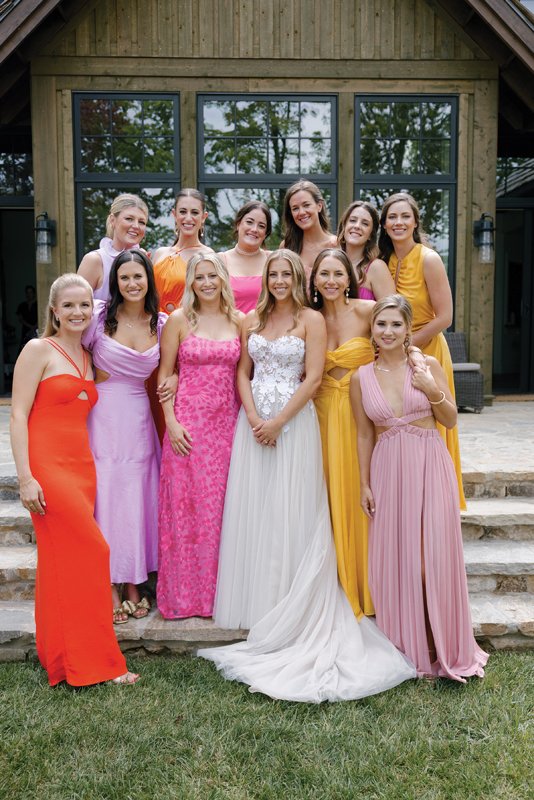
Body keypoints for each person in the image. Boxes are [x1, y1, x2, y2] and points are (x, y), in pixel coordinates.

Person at [198, 250, 416, 703]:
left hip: (295, 425)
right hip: (253, 424)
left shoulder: (310, 319)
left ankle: (295, 599)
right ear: (266, 279)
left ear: (299, 278)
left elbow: (314, 376)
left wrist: (278, 422)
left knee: (293, 509)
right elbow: (243, 371)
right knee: (256, 509)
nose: (279, 280)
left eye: (286, 274)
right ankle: (261, 602)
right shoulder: (250, 320)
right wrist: (255, 416)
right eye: (273, 274)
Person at [351, 294, 488, 682]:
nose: (388, 331)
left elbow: (449, 419)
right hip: (388, 470)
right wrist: (364, 483)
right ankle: (410, 648)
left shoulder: (425, 365)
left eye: (396, 324)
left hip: (430, 464)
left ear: (408, 329)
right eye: (382, 324)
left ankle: (446, 645)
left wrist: (431, 388)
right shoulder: (361, 378)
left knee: (433, 560)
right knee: (401, 561)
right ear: (372, 330)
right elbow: (364, 435)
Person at [9, 273, 138, 686]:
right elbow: (17, 414)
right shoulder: (37, 349)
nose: (78, 312)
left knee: (60, 565)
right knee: (94, 552)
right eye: (69, 305)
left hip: (82, 468)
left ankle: (60, 658)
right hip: (47, 468)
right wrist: (25, 478)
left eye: (85, 304)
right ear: (54, 311)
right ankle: (98, 662)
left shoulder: (86, 355)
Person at [83, 251, 167, 624]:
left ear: (149, 279)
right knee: (107, 499)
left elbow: (176, 367)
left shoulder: (161, 324)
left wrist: (176, 378)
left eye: (138, 277)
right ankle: (108, 583)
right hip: (102, 417)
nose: (132, 284)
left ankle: (135, 581)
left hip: (139, 420)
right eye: (124, 278)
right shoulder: (98, 317)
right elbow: (69, 351)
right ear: (115, 282)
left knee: (136, 500)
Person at [157, 253, 242, 619]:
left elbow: (246, 375)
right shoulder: (179, 320)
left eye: (213, 275)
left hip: (227, 427)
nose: (207, 282)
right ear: (191, 282)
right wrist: (171, 424)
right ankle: (185, 599)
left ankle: (219, 599)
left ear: (224, 278)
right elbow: (164, 377)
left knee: (221, 513)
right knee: (185, 511)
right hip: (186, 426)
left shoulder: (239, 321)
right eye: (200, 277)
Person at [378, 192, 466, 508]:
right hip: (392, 355)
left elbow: (445, 316)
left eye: (405, 216)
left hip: (428, 353)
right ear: (384, 224)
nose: (398, 222)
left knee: (434, 423)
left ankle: (439, 499)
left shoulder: (428, 258)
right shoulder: (383, 262)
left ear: (415, 221)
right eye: (392, 217)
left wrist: (406, 346)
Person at [310, 248, 375, 618]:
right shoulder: (310, 317)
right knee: (324, 495)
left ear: (350, 277)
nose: (331, 281)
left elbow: (402, 344)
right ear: (315, 280)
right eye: (324, 274)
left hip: (358, 414)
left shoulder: (368, 312)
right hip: (317, 413)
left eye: (338, 273)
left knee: (356, 491)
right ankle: (329, 584)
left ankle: (366, 583)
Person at [152, 188, 213, 314]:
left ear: (203, 217)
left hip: (186, 327)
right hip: (152, 327)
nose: (188, 218)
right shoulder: (160, 253)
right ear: (174, 214)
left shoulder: (208, 255)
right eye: (183, 212)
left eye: (195, 212)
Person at [78, 193, 148, 301]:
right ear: (112, 220)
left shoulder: (145, 258)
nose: (136, 226)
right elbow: (75, 305)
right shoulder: (95, 260)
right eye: (129, 219)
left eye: (142, 222)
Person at [218, 201, 271, 313]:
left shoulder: (272, 260)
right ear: (238, 224)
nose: (254, 229)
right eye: (249, 222)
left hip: (266, 329)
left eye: (261, 226)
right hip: (231, 329)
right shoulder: (220, 261)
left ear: (265, 233)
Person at [337, 201, 395, 300]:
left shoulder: (377, 267)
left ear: (370, 235)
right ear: (344, 226)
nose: (357, 226)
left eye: (365, 224)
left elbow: (392, 312)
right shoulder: (330, 262)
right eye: (353, 220)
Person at [281, 180, 337, 279]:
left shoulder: (337, 245)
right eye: (295, 208)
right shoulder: (287, 246)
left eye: (306, 205)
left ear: (319, 206)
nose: (301, 212)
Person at [16, 285, 38, 350]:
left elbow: (42, 316)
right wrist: (30, 326)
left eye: (30, 292)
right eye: (27, 293)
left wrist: (34, 327)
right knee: (23, 347)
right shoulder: (22, 305)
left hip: (36, 330)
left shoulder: (38, 304)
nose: (29, 294)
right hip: (25, 330)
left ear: (34, 293)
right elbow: (20, 318)